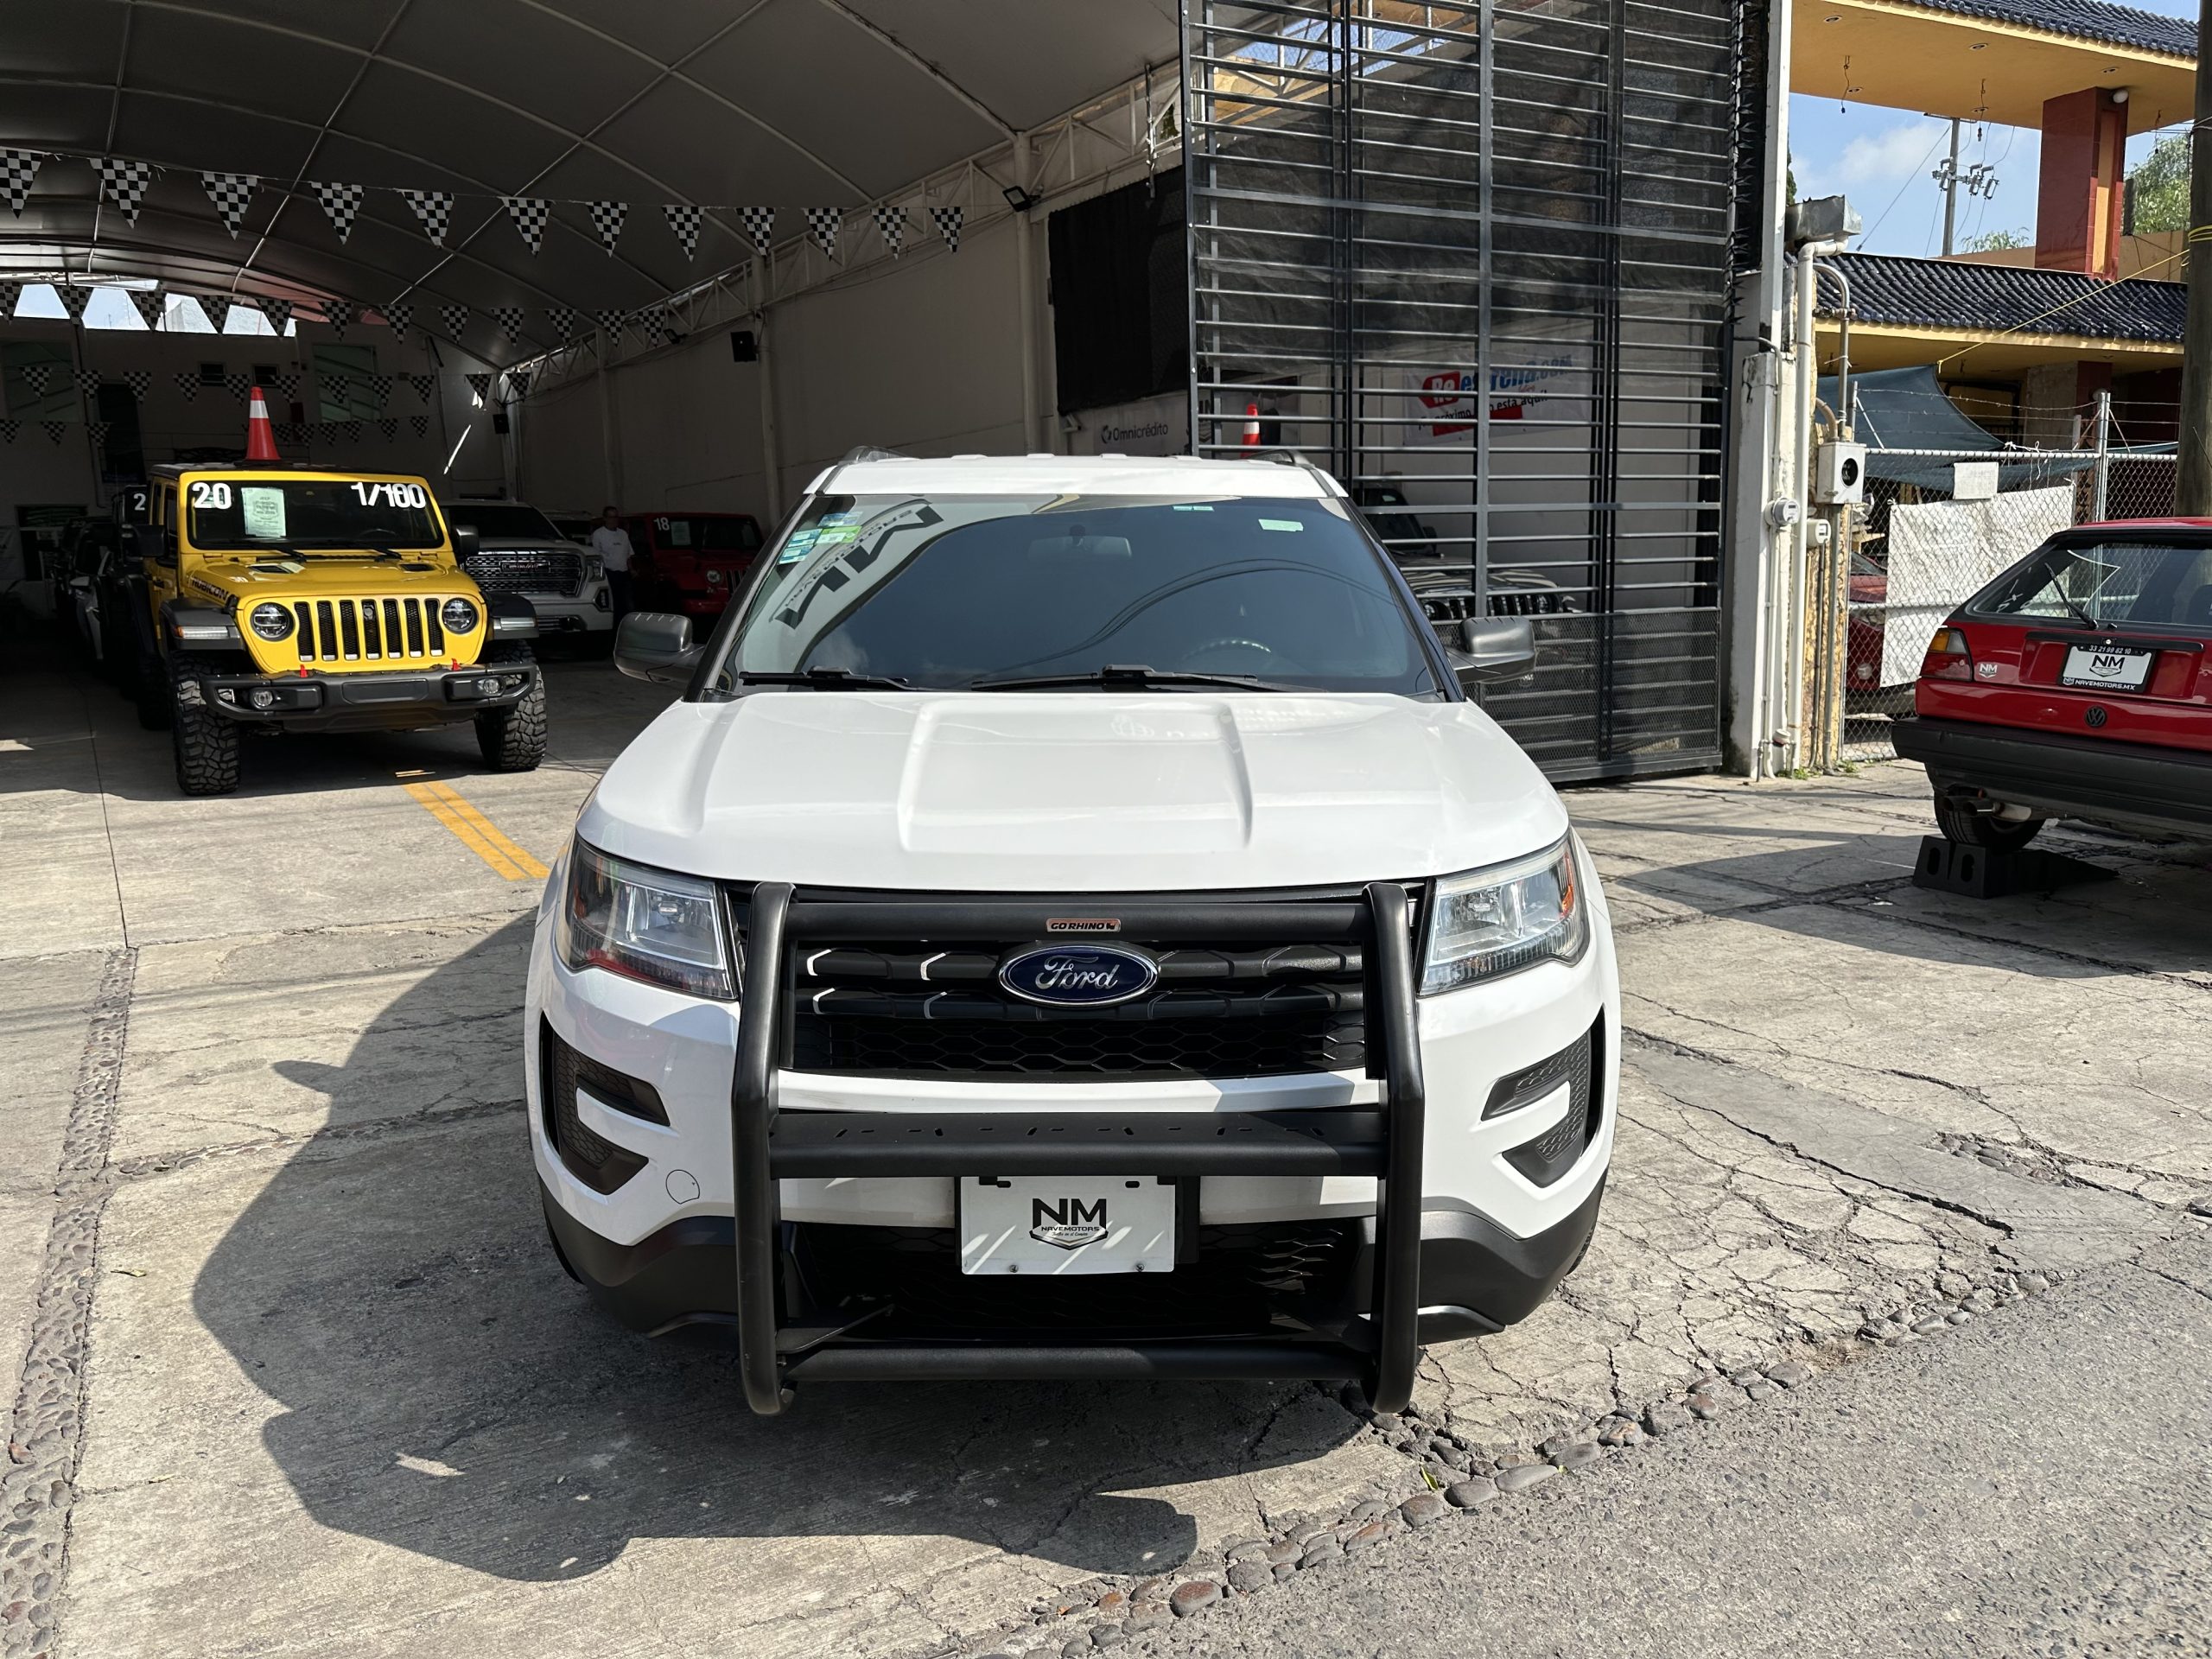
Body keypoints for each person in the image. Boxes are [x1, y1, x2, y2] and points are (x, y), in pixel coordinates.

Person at [589, 506, 635, 620]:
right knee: (613, 603)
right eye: (611, 517)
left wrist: (631, 569)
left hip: (623, 574)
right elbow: (596, 556)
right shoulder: (598, 534)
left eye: (616, 517)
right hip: (609, 573)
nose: (614, 520)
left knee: (627, 604)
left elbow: (628, 554)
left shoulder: (623, 534)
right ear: (605, 518)